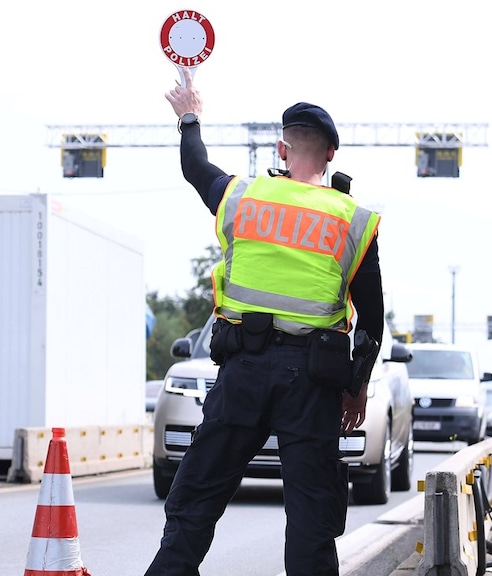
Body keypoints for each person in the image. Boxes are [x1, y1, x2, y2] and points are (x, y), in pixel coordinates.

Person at [143, 68, 385, 576]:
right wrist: (356, 388)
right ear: (331, 155)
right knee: (311, 517)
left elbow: (195, 166)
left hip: (244, 374)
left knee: (197, 498)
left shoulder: (241, 196)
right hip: (312, 384)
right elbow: (372, 319)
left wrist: (190, 115)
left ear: (281, 149)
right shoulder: (354, 220)